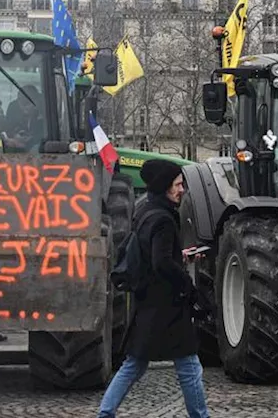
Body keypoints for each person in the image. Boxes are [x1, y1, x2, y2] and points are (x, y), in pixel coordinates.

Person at [97, 160, 210, 418]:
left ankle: (105, 413)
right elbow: (161, 263)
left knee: (134, 365)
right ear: (165, 187)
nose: (182, 190)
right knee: (189, 367)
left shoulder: (146, 212)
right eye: (178, 185)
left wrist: (178, 255)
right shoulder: (164, 219)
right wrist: (187, 284)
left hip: (148, 304)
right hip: (167, 305)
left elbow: (153, 254)